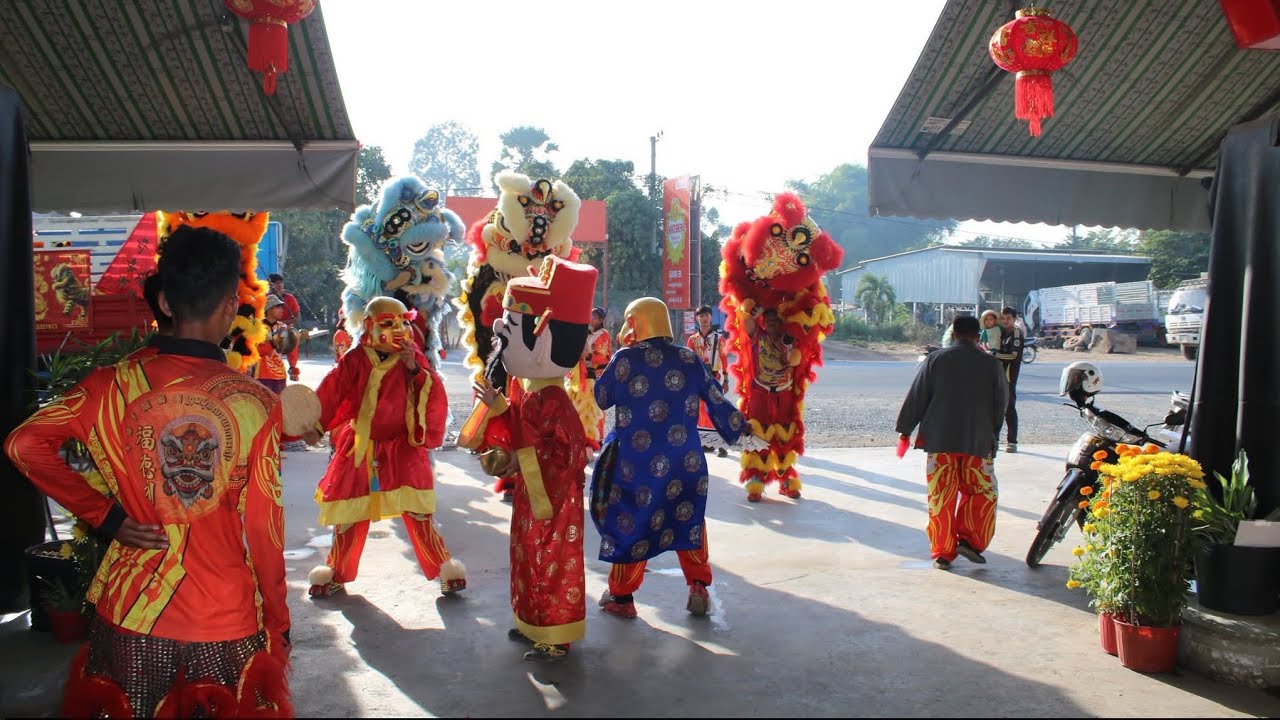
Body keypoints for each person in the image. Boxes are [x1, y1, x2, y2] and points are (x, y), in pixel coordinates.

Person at [5, 226, 291, 716]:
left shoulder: (108, 387)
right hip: (224, 614)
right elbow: (263, 528)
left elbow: (23, 444)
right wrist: (278, 616)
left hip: (134, 609)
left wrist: (108, 517)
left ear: (165, 303)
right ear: (229, 305)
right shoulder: (255, 404)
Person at [466, 256, 597, 662]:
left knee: (551, 561)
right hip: (532, 495)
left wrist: (509, 419)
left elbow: (569, 455)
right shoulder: (533, 392)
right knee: (526, 556)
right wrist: (501, 415)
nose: (500, 332)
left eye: (511, 325)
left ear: (541, 338)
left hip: (552, 503)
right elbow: (525, 436)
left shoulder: (554, 399)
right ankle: (532, 621)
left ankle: (555, 633)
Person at [592, 297, 745, 620]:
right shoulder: (688, 358)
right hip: (684, 461)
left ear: (635, 323)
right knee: (688, 522)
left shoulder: (625, 359)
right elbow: (716, 399)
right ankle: (699, 587)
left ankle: (622, 598)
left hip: (638, 464)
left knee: (632, 524)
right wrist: (741, 429)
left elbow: (602, 397)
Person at [305, 296, 467, 600]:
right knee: (349, 513)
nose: (399, 329)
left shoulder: (412, 357)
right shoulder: (355, 359)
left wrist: (413, 370)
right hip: (361, 447)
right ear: (369, 326)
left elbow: (432, 392)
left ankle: (444, 569)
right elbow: (331, 392)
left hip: (403, 447)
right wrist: (314, 425)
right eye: (389, 324)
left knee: (419, 513)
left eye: (403, 323)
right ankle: (337, 572)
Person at [895, 315, 1008, 571]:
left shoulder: (936, 359)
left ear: (954, 334)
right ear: (978, 337)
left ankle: (943, 553)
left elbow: (917, 395)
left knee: (941, 496)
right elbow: (1000, 404)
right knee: (982, 493)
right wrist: (994, 437)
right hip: (977, 443)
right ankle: (970, 540)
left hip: (939, 442)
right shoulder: (991, 364)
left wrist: (904, 430)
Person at [742, 307, 802, 501]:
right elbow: (746, 321)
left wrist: (791, 348)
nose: (771, 322)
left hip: (784, 394)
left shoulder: (789, 338)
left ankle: (785, 483)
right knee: (758, 438)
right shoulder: (757, 336)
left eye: (775, 319)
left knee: (784, 439)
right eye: (767, 320)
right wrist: (757, 311)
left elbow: (796, 360)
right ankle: (756, 485)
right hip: (761, 393)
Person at [687, 304, 730, 457]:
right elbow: (689, 361)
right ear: (697, 319)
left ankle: (723, 445)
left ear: (711, 317)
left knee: (717, 410)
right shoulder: (692, 340)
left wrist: (726, 379)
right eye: (701, 316)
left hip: (714, 377)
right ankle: (708, 442)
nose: (704, 319)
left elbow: (724, 358)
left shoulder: (719, 338)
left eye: (706, 316)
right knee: (701, 411)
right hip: (699, 379)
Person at [571, 306, 612, 450]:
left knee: (595, 406)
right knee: (581, 404)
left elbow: (603, 355)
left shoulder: (603, 335)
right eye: (591, 316)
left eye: (595, 317)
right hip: (582, 373)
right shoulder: (587, 333)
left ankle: (597, 437)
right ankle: (583, 435)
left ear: (601, 320)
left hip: (597, 374)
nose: (592, 319)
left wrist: (588, 356)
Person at [994, 306, 1026, 453]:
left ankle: (1012, 441)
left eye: (1008, 318)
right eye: (1003, 318)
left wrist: (995, 355)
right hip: (996, 375)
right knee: (995, 407)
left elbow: (1013, 355)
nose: (1005, 321)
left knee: (1009, 408)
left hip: (1008, 376)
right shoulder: (999, 332)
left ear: (1014, 319)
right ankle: (994, 439)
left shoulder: (1016, 333)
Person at [267, 272, 302, 381]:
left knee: (292, 338)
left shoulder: (289, 298)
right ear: (270, 285)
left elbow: (297, 317)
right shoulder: (265, 298)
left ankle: (292, 367)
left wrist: (281, 323)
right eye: (277, 283)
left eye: (281, 283)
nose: (280, 286)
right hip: (268, 328)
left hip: (286, 328)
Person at [254, 294, 289, 394]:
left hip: (281, 374)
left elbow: (287, 350)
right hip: (263, 374)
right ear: (269, 309)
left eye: (281, 307)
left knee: (280, 406)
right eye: (277, 307)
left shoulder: (283, 326)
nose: (281, 310)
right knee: (264, 406)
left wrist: (295, 339)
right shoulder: (258, 327)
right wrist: (273, 343)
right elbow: (257, 351)